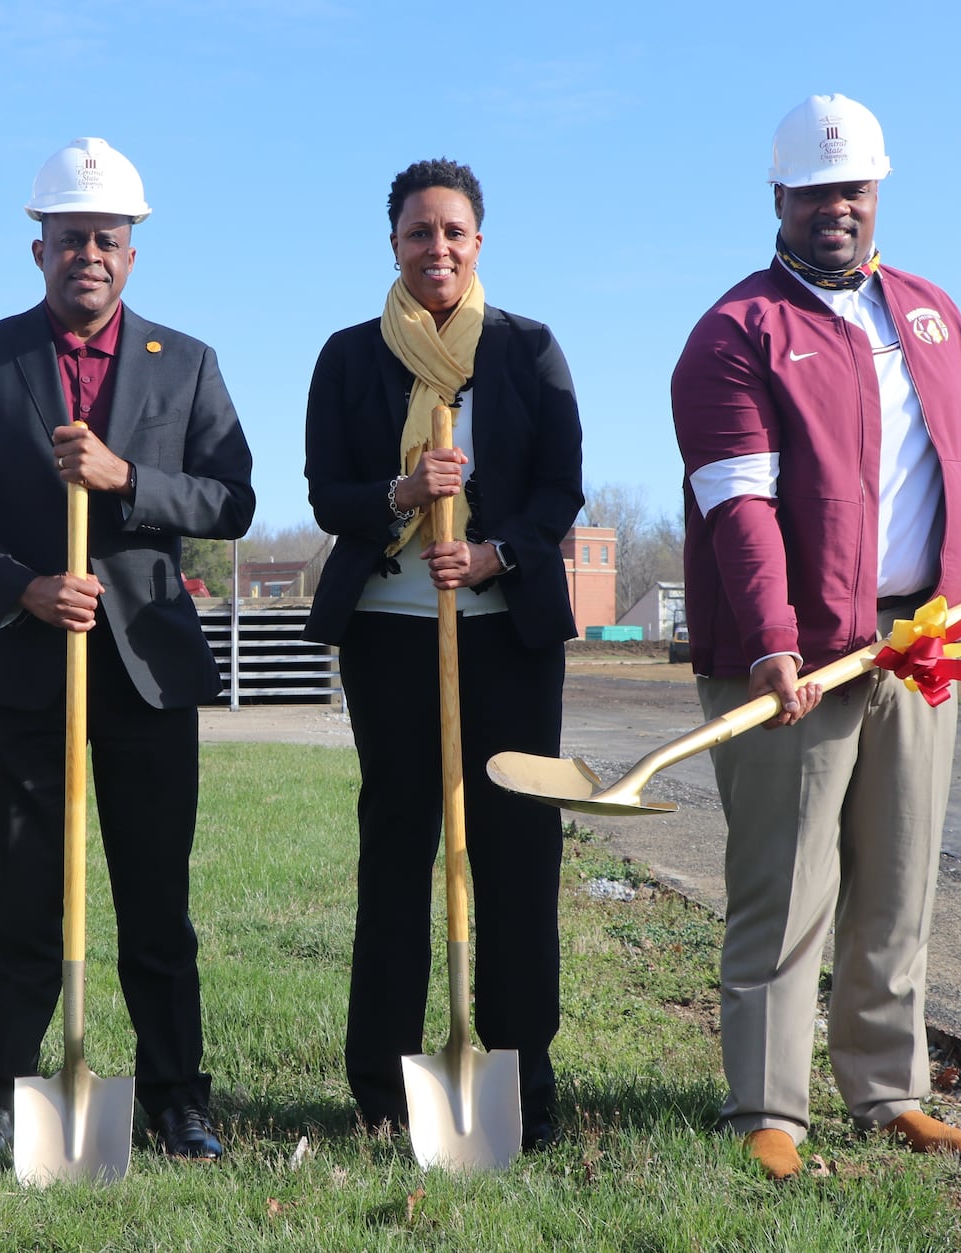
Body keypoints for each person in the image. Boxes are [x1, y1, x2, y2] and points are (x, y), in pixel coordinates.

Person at [672, 93, 961, 1181]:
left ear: (876, 191)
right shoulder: (736, 331)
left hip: (920, 641)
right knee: (787, 886)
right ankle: (768, 1105)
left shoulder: (928, 310)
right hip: (795, 656)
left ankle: (889, 1088)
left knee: (897, 883)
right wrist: (770, 639)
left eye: (853, 188)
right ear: (778, 197)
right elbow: (737, 504)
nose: (835, 207)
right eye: (813, 190)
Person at [0, 137, 254, 1168]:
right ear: (39, 248)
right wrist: (19, 583)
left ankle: (177, 1097)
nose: (88, 253)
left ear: (132, 252)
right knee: (21, 894)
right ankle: (8, 1095)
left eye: (106, 237)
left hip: (146, 669)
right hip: (24, 664)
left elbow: (231, 498)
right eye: (69, 238)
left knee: (156, 900)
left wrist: (123, 477)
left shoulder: (185, 363)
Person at [303, 158, 584, 1149]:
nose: (437, 249)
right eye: (419, 232)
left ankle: (518, 1081)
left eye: (454, 232)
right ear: (393, 242)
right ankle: (382, 1090)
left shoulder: (527, 349)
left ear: (478, 241)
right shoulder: (347, 358)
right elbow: (324, 493)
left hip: (505, 639)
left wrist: (497, 550)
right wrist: (400, 493)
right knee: (396, 850)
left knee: (515, 854)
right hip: (388, 634)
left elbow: (561, 489)